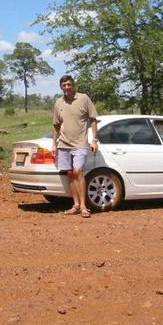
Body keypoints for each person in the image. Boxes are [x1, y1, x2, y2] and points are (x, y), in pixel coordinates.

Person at [52, 75, 98, 218]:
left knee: (78, 171)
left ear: (73, 86)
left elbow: (94, 120)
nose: (67, 87)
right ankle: (76, 205)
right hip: (64, 144)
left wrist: (94, 139)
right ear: (61, 87)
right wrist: (54, 143)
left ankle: (84, 206)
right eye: (64, 85)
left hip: (80, 144)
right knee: (70, 174)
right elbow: (55, 125)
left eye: (69, 85)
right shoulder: (58, 103)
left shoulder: (84, 99)